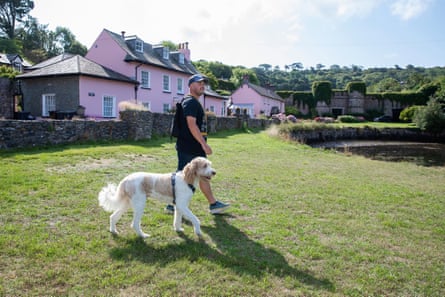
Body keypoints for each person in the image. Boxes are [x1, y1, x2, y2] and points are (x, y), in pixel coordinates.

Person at [166, 74, 230, 215]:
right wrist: (203, 144)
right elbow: (191, 124)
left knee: (199, 175)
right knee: (184, 176)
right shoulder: (191, 102)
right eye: (199, 83)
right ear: (190, 85)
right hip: (191, 146)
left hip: (190, 146)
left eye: (204, 83)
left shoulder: (191, 101)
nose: (202, 85)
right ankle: (173, 205)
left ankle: (213, 204)